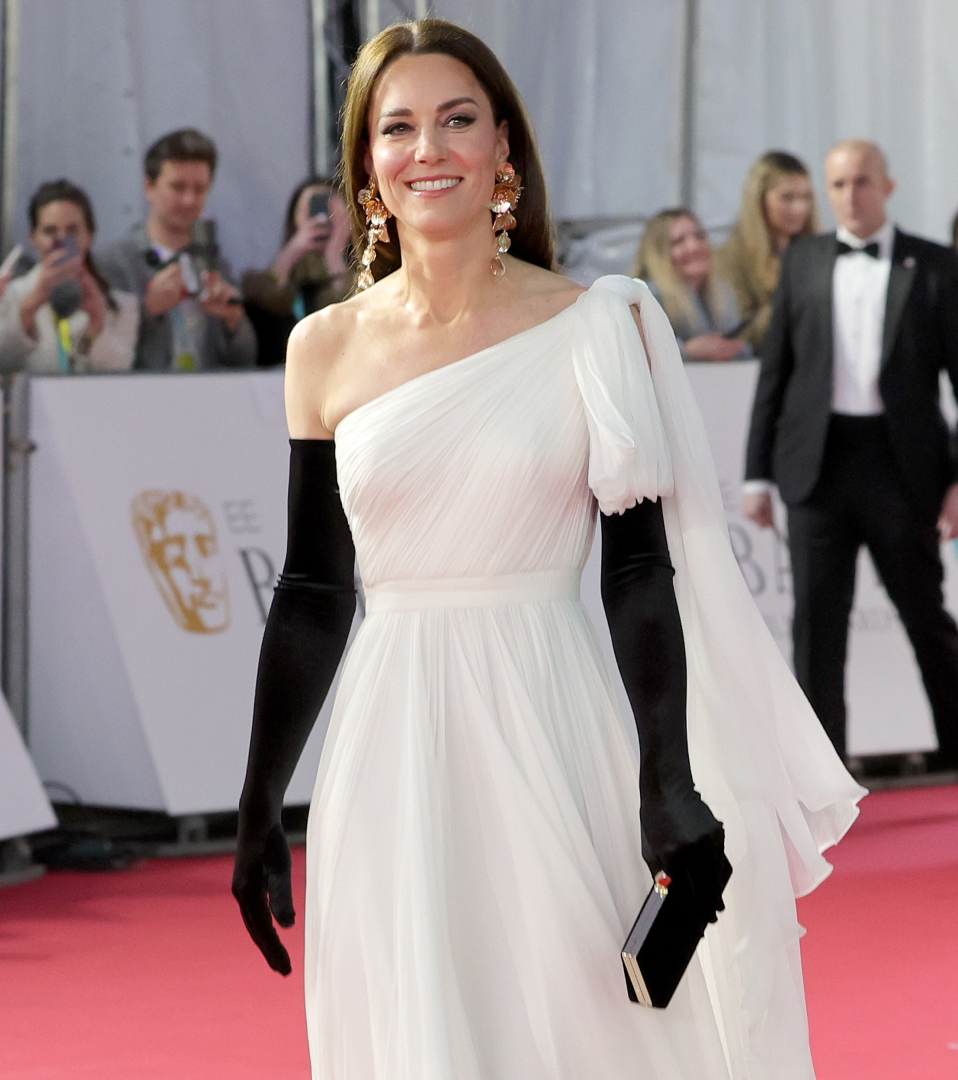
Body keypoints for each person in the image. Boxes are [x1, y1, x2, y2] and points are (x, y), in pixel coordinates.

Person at [230, 20, 860, 1079]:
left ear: (504, 151)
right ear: (368, 169)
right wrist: (258, 804)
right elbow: (310, 590)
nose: (428, 146)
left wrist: (668, 776)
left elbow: (637, 572)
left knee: (588, 1031)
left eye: (457, 119)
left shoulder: (593, 324)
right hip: (389, 746)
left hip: (552, 717)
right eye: (398, 127)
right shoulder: (320, 349)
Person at [742, 139, 958, 770]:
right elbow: (775, 375)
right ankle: (825, 775)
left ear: (888, 187)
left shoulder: (936, 266)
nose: (849, 196)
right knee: (816, 627)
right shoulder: (804, 261)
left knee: (925, 614)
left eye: (862, 182)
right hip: (818, 467)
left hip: (904, 468)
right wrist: (756, 474)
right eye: (837, 185)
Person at [94, 129, 256, 371]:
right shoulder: (113, 262)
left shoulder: (215, 263)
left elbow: (245, 360)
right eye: (178, 187)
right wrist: (147, 311)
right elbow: (98, 356)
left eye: (199, 189)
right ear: (149, 187)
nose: (189, 200)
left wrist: (233, 322)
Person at [0, 180, 136, 375]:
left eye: (72, 230)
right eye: (50, 231)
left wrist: (96, 323)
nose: (61, 241)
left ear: (90, 235)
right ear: (32, 236)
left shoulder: (122, 306)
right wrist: (32, 304)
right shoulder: (7, 296)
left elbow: (118, 375)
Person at [713, 151, 817, 351]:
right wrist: (792, 296)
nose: (800, 208)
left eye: (806, 197)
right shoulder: (729, 258)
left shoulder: (817, 251)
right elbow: (736, 335)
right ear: (759, 200)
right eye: (787, 198)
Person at [242, 178, 352, 367]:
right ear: (294, 218)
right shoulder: (271, 281)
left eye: (330, 209)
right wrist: (291, 253)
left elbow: (350, 319)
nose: (322, 218)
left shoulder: (370, 280)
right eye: (312, 208)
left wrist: (335, 258)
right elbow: (265, 307)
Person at [630, 208, 750, 361]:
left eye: (699, 236)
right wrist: (687, 351)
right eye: (678, 241)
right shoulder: (647, 296)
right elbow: (635, 353)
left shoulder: (723, 293)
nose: (694, 247)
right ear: (658, 252)